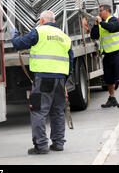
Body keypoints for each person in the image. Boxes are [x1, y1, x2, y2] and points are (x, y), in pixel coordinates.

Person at [11, 10, 74, 155]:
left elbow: (18, 44)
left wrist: (14, 34)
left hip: (44, 78)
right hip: (60, 78)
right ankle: (58, 143)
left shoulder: (39, 32)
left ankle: (41, 145)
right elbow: (71, 60)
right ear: (54, 21)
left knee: (38, 111)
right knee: (57, 110)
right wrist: (65, 79)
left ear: (42, 21)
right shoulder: (64, 36)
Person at [90, 5, 119, 108]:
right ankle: (112, 98)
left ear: (107, 11)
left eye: (101, 11)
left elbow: (111, 28)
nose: (99, 13)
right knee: (108, 79)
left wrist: (100, 23)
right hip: (107, 55)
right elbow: (94, 36)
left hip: (118, 54)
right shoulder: (101, 24)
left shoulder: (114, 20)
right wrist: (95, 25)